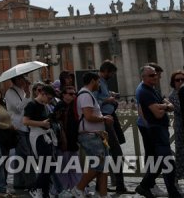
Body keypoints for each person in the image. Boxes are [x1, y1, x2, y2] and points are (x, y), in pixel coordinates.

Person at [134, 66, 182, 198]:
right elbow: (159, 114)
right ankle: (173, 192)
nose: (155, 77)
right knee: (168, 162)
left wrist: (164, 106)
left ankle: (144, 186)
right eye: (151, 75)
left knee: (159, 163)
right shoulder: (144, 92)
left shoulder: (152, 89)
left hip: (158, 129)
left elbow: (169, 105)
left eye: (155, 74)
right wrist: (166, 106)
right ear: (143, 77)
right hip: (156, 130)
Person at [72, 72, 111, 198]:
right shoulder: (85, 95)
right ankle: (78, 188)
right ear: (93, 81)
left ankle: (102, 194)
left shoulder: (88, 94)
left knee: (103, 165)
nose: (99, 84)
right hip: (89, 135)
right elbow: (88, 116)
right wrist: (104, 118)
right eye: (98, 81)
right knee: (98, 164)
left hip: (97, 135)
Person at [94, 60, 127, 194]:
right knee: (116, 152)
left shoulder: (103, 83)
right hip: (105, 119)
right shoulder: (97, 82)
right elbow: (94, 101)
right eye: (112, 73)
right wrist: (108, 100)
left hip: (110, 116)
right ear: (106, 71)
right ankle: (120, 185)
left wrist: (110, 95)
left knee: (106, 153)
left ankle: (100, 185)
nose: (112, 76)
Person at [23, 84, 57, 198]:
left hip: (45, 135)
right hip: (38, 136)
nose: (50, 100)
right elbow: (25, 121)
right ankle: (35, 188)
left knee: (49, 166)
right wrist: (42, 124)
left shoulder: (44, 105)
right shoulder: (31, 104)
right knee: (47, 165)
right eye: (49, 98)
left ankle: (44, 192)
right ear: (42, 94)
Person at [5, 75, 35, 190]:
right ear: (16, 80)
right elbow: (18, 108)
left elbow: (29, 105)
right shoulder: (10, 92)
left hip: (26, 126)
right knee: (26, 156)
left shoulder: (23, 91)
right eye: (22, 78)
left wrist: (28, 94)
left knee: (21, 156)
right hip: (18, 127)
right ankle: (31, 182)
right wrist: (27, 96)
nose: (24, 80)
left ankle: (19, 182)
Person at [168, 70, 184, 183]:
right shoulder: (173, 95)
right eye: (177, 80)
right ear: (173, 82)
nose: (180, 81)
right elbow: (179, 109)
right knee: (180, 153)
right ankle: (176, 179)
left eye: (183, 79)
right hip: (180, 128)